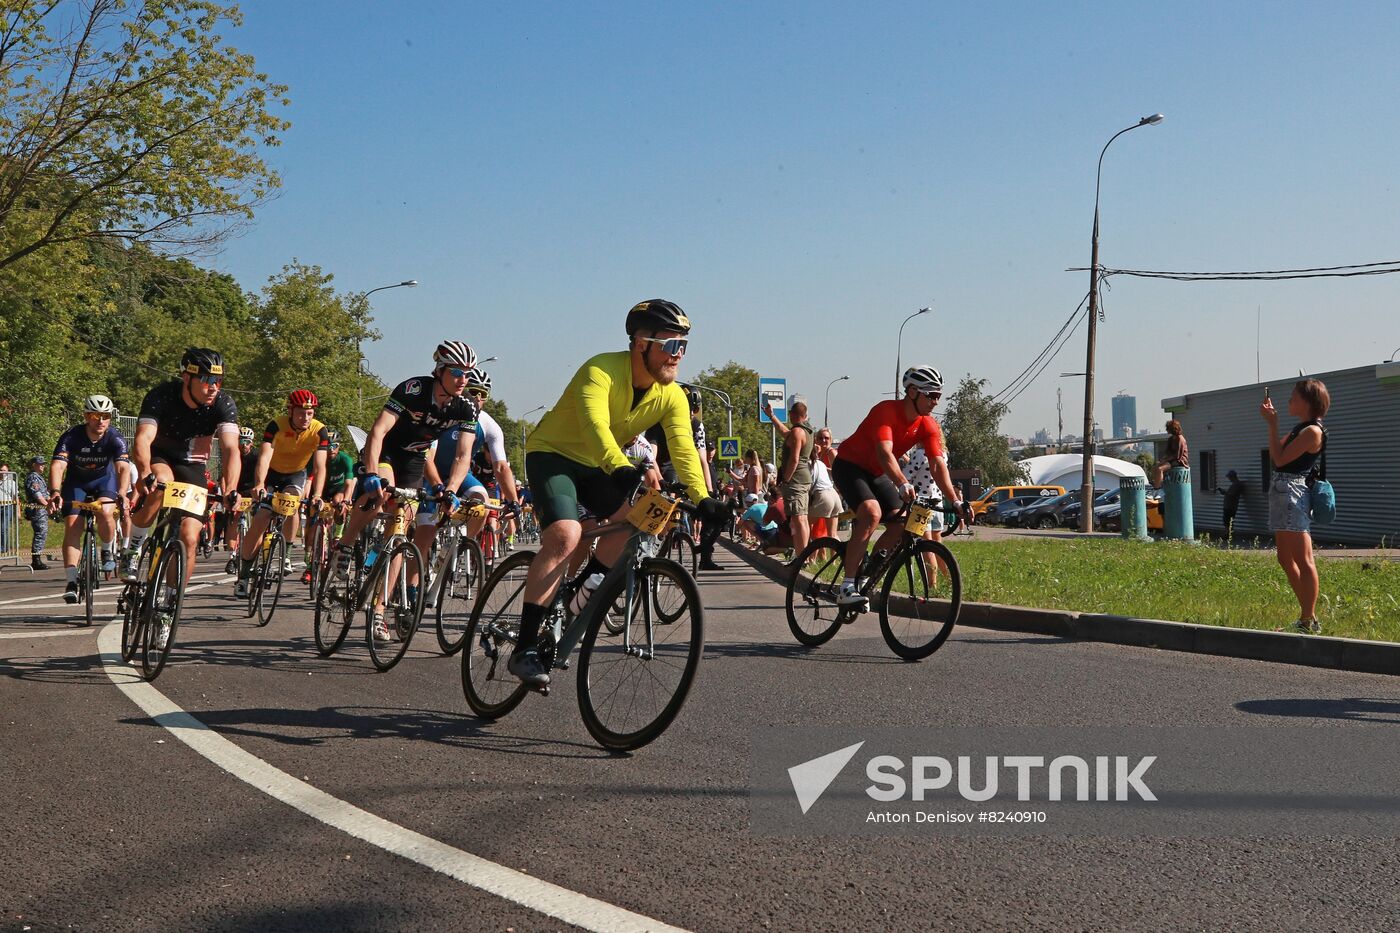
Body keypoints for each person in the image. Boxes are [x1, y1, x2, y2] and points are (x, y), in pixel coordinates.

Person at [509, 298, 729, 687]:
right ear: (640, 343)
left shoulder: (672, 395)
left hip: (598, 465)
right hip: (554, 456)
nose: (678, 355)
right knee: (566, 534)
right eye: (671, 345)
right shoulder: (599, 370)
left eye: (684, 346)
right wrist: (622, 468)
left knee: (633, 526)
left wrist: (704, 497)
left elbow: (683, 448)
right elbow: (595, 427)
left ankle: (579, 592)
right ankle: (524, 647)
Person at [330, 341, 479, 642]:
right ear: (440, 371)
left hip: (414, 459)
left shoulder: (466, 408)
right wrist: (371, 472)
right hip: (386, 452)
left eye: (468, 373)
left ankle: (379, 611)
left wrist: (450, 490)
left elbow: (463, 456)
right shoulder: (413, 390)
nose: (464, 379)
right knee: (380, 495)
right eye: (457, 372)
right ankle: (345, 545)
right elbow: (378, 431)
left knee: (400, 528)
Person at [125, 348, 242, 647]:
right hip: (161, 457)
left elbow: (231, 450)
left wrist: (231, 490)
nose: (213, 387)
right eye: (205, 380)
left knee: (190, 536)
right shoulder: (161, 396)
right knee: (161, 484)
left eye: (217, 380)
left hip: (192, 465)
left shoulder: (223, 404)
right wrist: (144, 472)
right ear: (186, 377)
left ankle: (169, 606)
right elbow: (142, 439)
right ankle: (135, 546)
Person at [830, 366, 970, 609]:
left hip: (876, 474)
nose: (936, 401)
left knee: (903, 522)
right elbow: (884, 454)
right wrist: (903, 483)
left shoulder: (928, 425)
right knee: (871, 513)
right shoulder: (886, 411)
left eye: (939, 395)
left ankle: (866, 574)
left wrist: (955, 501)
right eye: (931, 395)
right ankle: (847, 586)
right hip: (850, 466)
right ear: (913, 391)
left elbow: (938, 465)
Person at [233, 389, 329, 598]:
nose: (305, 418)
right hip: (272, 474)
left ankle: (285, 549)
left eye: (310, 413)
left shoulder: (319, 430)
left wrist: (318, 495)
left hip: (296, 474)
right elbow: (265, 457)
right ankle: (244, 574)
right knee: (261, 518)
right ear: (290, 410)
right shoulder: (277, 425)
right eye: (301, 413)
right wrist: (259, 484)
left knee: (292, 502)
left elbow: (320, 466)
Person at [1261, 379, 1329, 634]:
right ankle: (1307, 617)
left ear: (1308, 402)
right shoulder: (1301, 428)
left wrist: (1273, 423)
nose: (1289, 401)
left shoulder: (1312, 431)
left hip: (1293, 491)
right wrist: (1273, 424)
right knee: (1285, 557)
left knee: (1303, 558)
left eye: (1294, 397)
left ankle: (1308, 619)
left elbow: (1279, 459)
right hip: (1282, 491)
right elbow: (1277, 454)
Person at [47, 394, 131, 601]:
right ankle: (71, 581)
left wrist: (122, 492)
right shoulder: (71, 436)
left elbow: (123, 468)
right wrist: (55, 492)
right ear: (86, 416)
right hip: (77, 483)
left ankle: (108, 549)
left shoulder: (115, 438)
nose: (100, 420)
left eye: (105, 415)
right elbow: (58, 465)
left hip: (104, 482)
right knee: (73, 525)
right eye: (95, 415)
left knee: (104, 510)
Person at [766, 394, 815, 558]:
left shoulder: (797, 433)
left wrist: (785, 480)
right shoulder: (806, 431)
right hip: (803, 479)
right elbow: (784, 431)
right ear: (805, 416)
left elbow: (793, 460)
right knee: (802, 518)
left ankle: (802, 558)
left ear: (793, 415)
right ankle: (803, 555)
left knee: (799, 519)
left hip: (795, 481)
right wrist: (771, 416)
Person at [23, 455, 51, 570]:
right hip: (37, 509)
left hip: (41, 509)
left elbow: (45, 494)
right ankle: (36, 560)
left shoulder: (38, 477)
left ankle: (37, 558)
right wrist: (47, 505)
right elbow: (38, 495)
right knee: (40, 532)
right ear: (34, 465)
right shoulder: (33, 478)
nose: (43, 466)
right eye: (41, 464)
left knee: (42, 532)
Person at [1153, 420, 1189, 487]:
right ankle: (1156, 484)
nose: (1167, 430)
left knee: (1160, 469)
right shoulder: (1171, 439)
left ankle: (1158, 488)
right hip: (1171, 460)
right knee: (1155, 467)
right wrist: (1162, 459)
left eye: (1168, 428)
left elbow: (1177, 456)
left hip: (1179, 461)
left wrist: (1165, 460)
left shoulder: (1180, 439)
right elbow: (1167, 452)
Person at [1217, 469, 1245, 535]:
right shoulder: (1234, 485)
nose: (1229, 478)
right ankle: (1228, 533)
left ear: (1232, 476)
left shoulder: (1236, 485)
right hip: (1228, 505)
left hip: (1231, 506)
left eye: (1229, 477)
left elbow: (1233, 494)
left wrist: (1225, 492)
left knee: (1228, 521)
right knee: (1226, 520)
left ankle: (1228, 534)